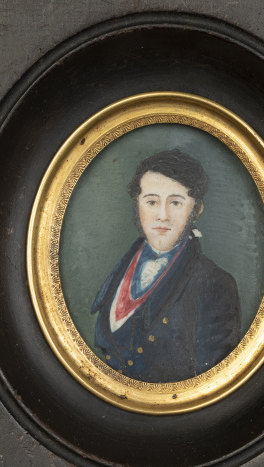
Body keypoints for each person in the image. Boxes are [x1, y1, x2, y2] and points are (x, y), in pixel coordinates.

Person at [91, 149, 241, 383]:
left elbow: (214, 381)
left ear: (197, 209)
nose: (162, 215)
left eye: (176, 203)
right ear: (137, 204)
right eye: (151, 202)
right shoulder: (120, 270)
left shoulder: (215, 284)